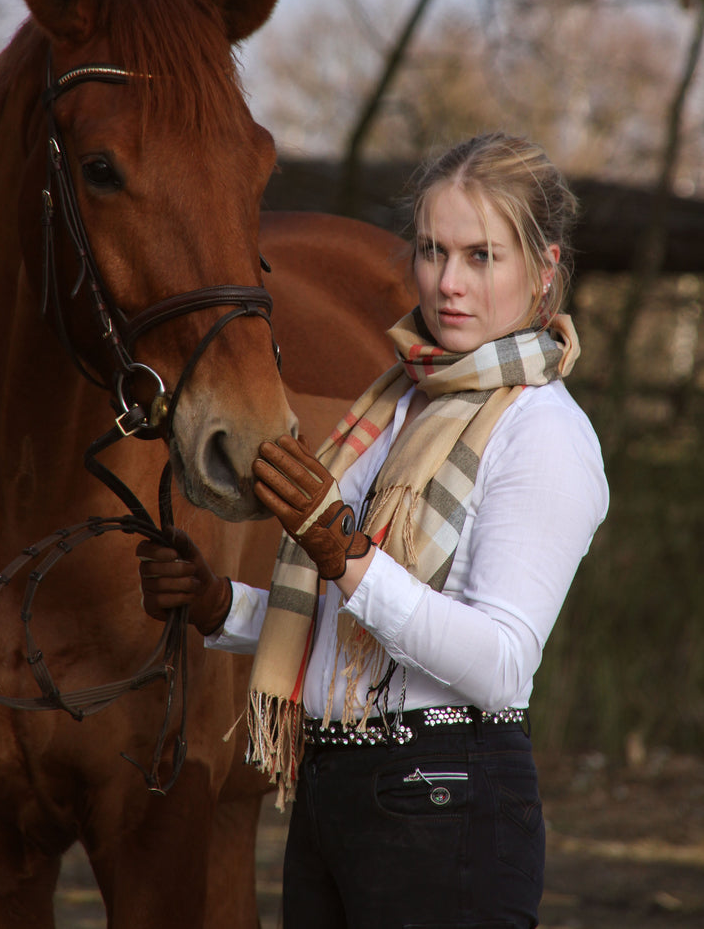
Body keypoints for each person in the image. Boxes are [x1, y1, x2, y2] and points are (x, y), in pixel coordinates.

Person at [137, 132, 609, 929]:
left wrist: (347, 554)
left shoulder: (543, 433)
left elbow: (498, 663)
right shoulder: (395, 406)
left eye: (481, 256)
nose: (449, 283)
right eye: (431, 250)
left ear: (543, 268)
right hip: (337, 796)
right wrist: (222, 606)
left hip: (447, 801)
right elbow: (347, 624)